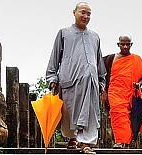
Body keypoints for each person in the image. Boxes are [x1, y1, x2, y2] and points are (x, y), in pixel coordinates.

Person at [45, 2, 106, 154]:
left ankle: (86, 144)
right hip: (69, 80)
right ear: (74, 12)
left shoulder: (95, 37)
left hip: (91, 83)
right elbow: (55, 57)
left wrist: (101, 81)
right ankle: (73, 138)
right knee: (69, 113)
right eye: (83, 12)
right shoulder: (64, 33)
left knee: (90, 113)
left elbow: (99, 61)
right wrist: (52, 77)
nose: (86, 16)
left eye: (89, 14)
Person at [101, 34, 142, 149]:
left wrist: (139, 84)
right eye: (123, 44)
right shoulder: (110, 59)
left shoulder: (136, 59)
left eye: (128, 44)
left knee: (130, 118)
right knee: (118, 113)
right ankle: (120, 141)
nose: (125, 47)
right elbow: (102, 76)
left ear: (131, 44)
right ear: (118, 44)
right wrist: (103, 92)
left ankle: (126, 143)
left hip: (130, 92)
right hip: (114, 91)